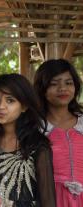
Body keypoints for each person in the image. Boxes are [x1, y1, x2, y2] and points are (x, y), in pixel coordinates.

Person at [0, 74, 56, 207]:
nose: (1, 106)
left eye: (10, 100)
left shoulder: (38, 146)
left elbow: (48, 201)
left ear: (24, 106)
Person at [34, 59, 83, 206]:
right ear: (42, 88)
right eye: (54, 84)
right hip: (49, 199)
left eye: (69, 83)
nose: (63, 89)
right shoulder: (35, 126)